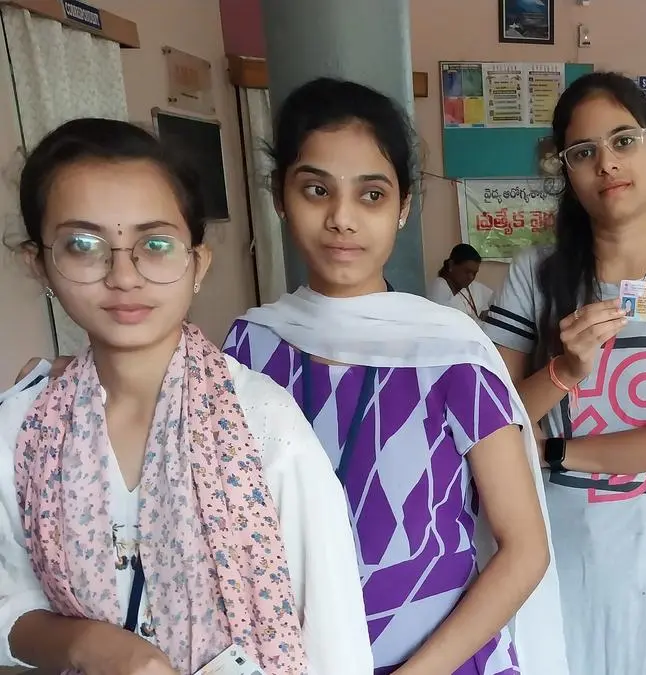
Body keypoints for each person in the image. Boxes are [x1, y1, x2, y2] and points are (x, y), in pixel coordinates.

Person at [0, 118, 371, 674]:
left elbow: (334, 640)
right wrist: (85, 645)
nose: (123, 275)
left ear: (197, 263)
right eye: (83, 245)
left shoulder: (262, 425)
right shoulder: (24, 429)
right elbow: (10, 599)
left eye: (155, 244)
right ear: (40, 264)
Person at [223, 78, 566, 674]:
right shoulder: (247, 350)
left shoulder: (451, 354)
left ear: (403, 207)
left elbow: (524, 550)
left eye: (371, 195)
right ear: (280, 197)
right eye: (316, 190)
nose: (342, 219)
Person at [483, 72, 646, 675]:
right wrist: (563, 370)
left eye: (624, 141)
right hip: (550, 549)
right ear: (566, 173)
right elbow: (494, 421)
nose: (606, 163)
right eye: (583, 152)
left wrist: (552, 453)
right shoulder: (535, 273)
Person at [428, 243, 494, 323]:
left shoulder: (472, 286)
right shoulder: (440, 286)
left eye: (474, 273)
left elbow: (493, 302)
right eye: (467, 272)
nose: (471, 277)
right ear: (451, 265)